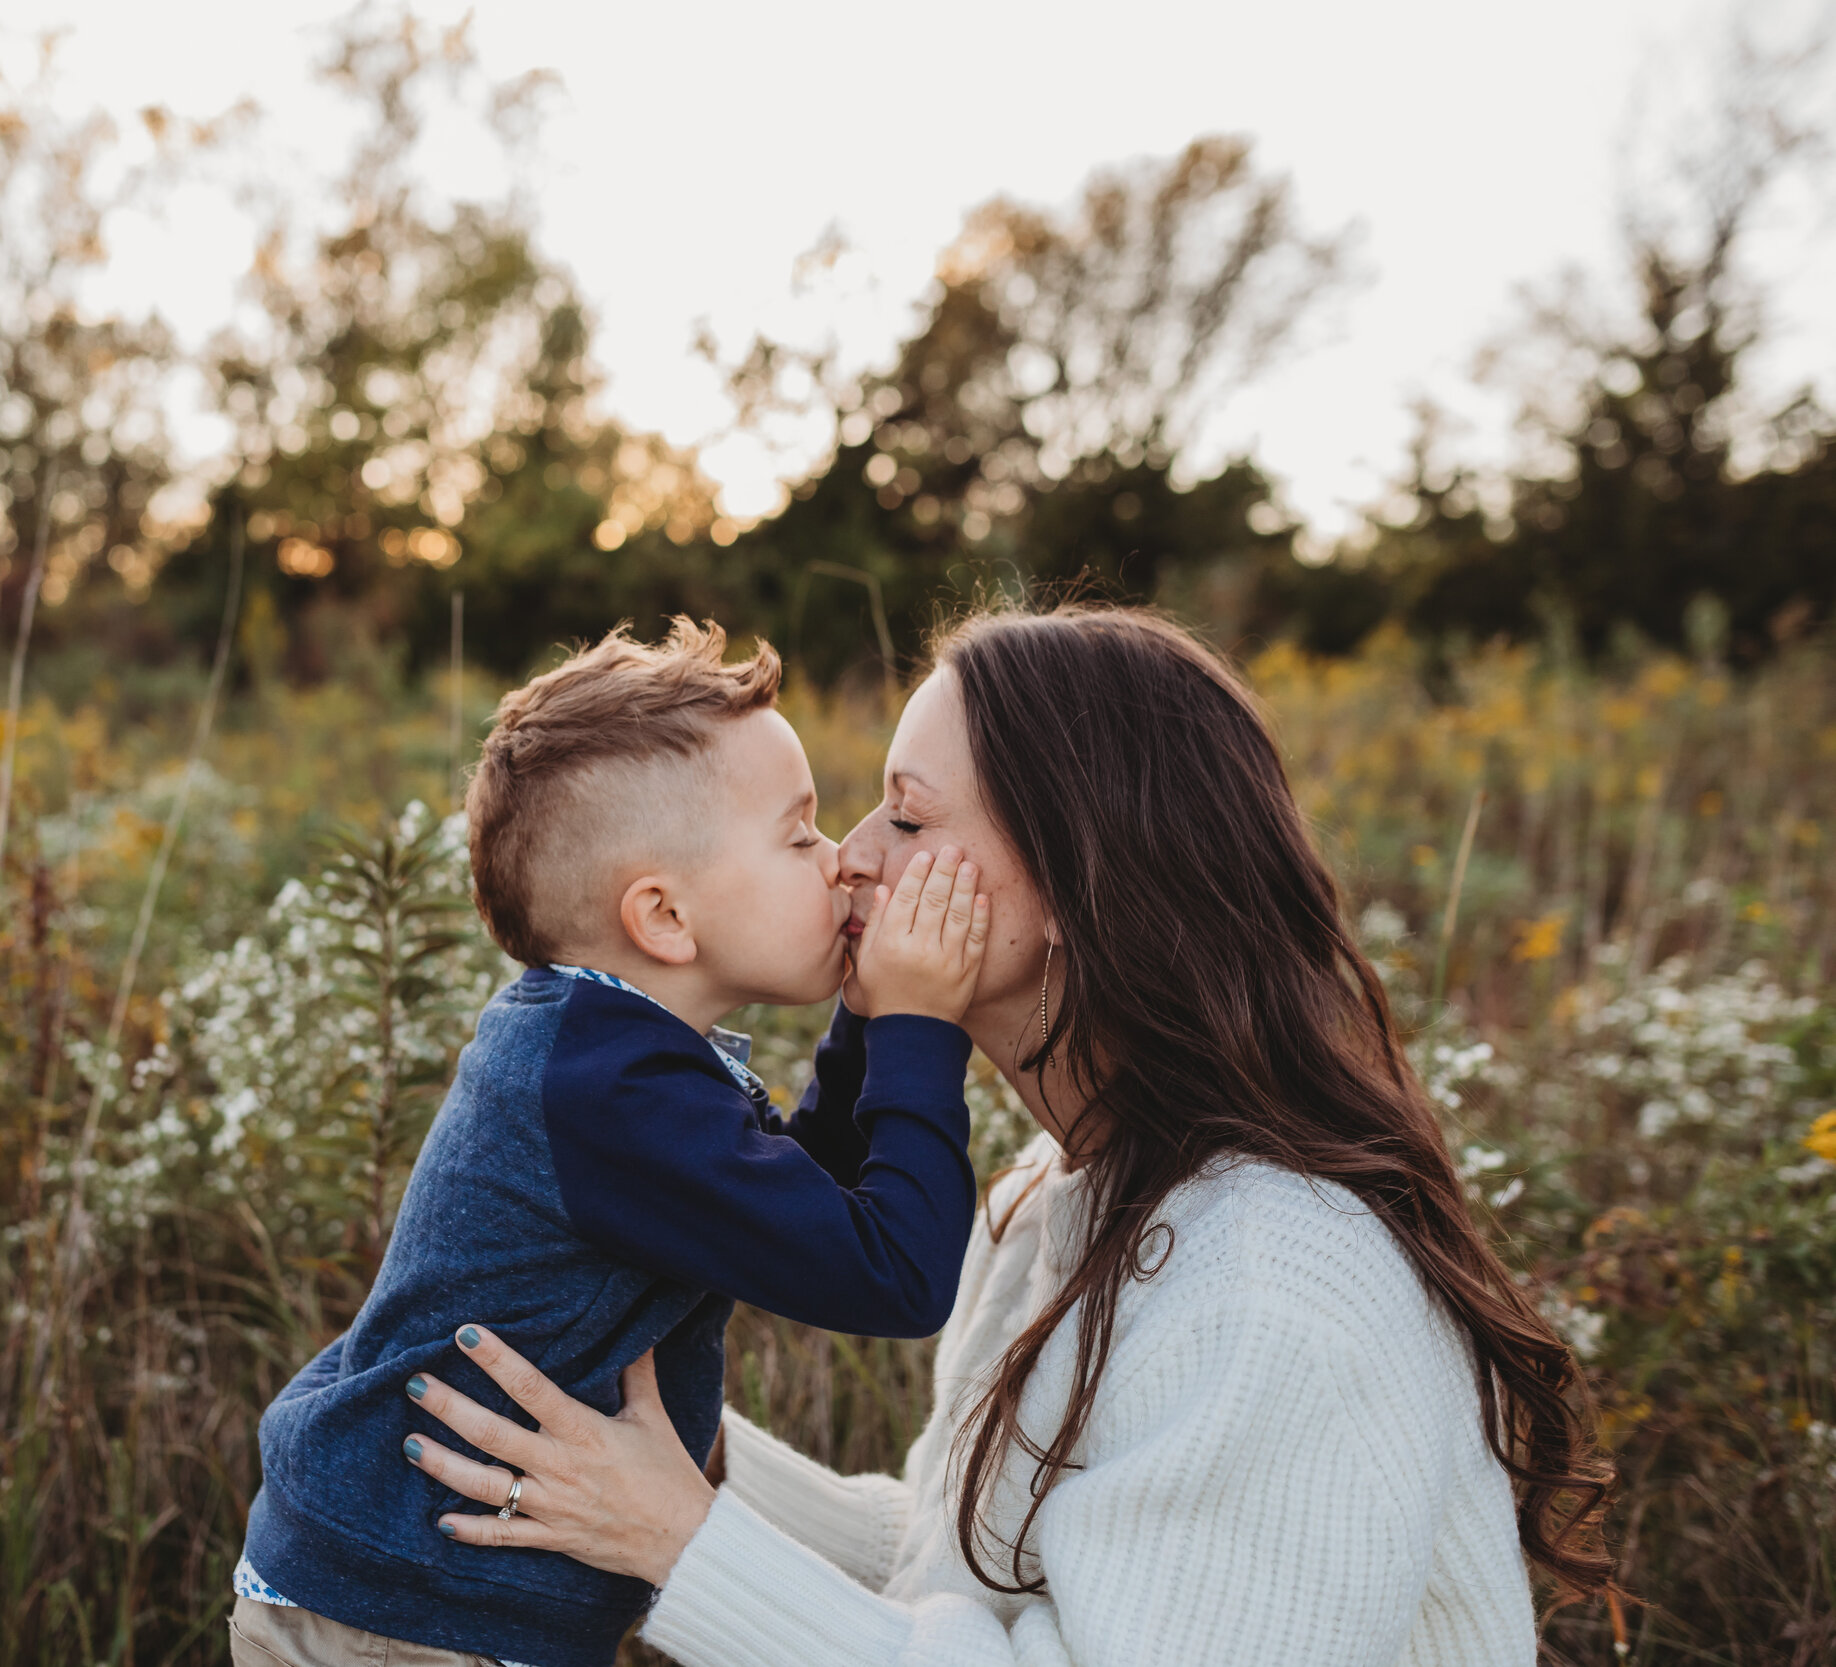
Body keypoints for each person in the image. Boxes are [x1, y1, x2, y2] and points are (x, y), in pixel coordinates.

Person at [400, 605, 1616, 1666]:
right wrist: (679, 1458)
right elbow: (954, 1563)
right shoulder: (1050, 1193)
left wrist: (681, 1541)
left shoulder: (1270, 1288)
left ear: (1088, 880)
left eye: (907, 821)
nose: (852, 864)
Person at [232, 620, 993, 1667]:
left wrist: (867, 1012)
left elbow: (794, 1199)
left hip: (407, 1594)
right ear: (664, 915)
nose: (844, 864)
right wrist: (921, 1027)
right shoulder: (611, 1087)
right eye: (799, 834)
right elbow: (893, 1274)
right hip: (408, 1619)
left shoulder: (601, 1049)